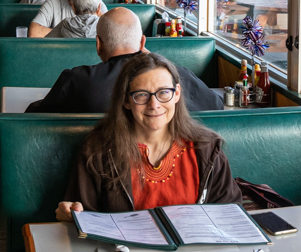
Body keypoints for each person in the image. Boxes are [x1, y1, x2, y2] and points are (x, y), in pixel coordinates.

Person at [55, 52, 241, 220]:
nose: (154, 104)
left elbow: (230, 212)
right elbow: (83, 215)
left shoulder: (207, 149)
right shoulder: (98, 150)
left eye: (163, 93)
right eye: (142, 95)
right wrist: (72, 215)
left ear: (176, 94)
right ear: (126, 101)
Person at [26, 8, 223, 113]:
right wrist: (157, 60)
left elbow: (35, 117)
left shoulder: (77, 80)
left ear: (98, 45)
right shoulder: (176, 78)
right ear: (143, 41)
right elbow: (216, 105)